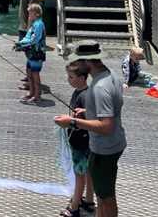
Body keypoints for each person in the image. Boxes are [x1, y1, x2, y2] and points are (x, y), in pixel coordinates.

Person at [54, 42, 126, 217]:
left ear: (88, 62)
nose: (77, 65)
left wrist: (72, 122)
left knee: (104, 200)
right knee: (106, 195)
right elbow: (112, 109)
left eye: (79, 61)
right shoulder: (111, 76)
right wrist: (89, 111)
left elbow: (106, 126)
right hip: (115, 143)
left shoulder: (100, 87)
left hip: (104, 149)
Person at [61, 62, 96, 217]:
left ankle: (74, 207)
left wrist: (71, 121)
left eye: (71, 77)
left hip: (82, 143)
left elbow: (90, 119)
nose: (68, 79)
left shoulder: (85, 95)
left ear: (82, 78)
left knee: (79, 175)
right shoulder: (79, 92)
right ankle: (88, 201)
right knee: (88, 172)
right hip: (85, 142)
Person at [17, 2, 46, 104]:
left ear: (37, 14)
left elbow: (35, 40)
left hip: (37, 53)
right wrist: (20, 43)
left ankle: (37, 95)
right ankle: (31, 92)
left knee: (35, 74)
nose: (29, 15)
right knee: (29, 73)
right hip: (31, 53)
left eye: (30, 13)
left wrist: (22, 45)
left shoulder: (39, 25)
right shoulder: (34, 24)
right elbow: (27, 37)